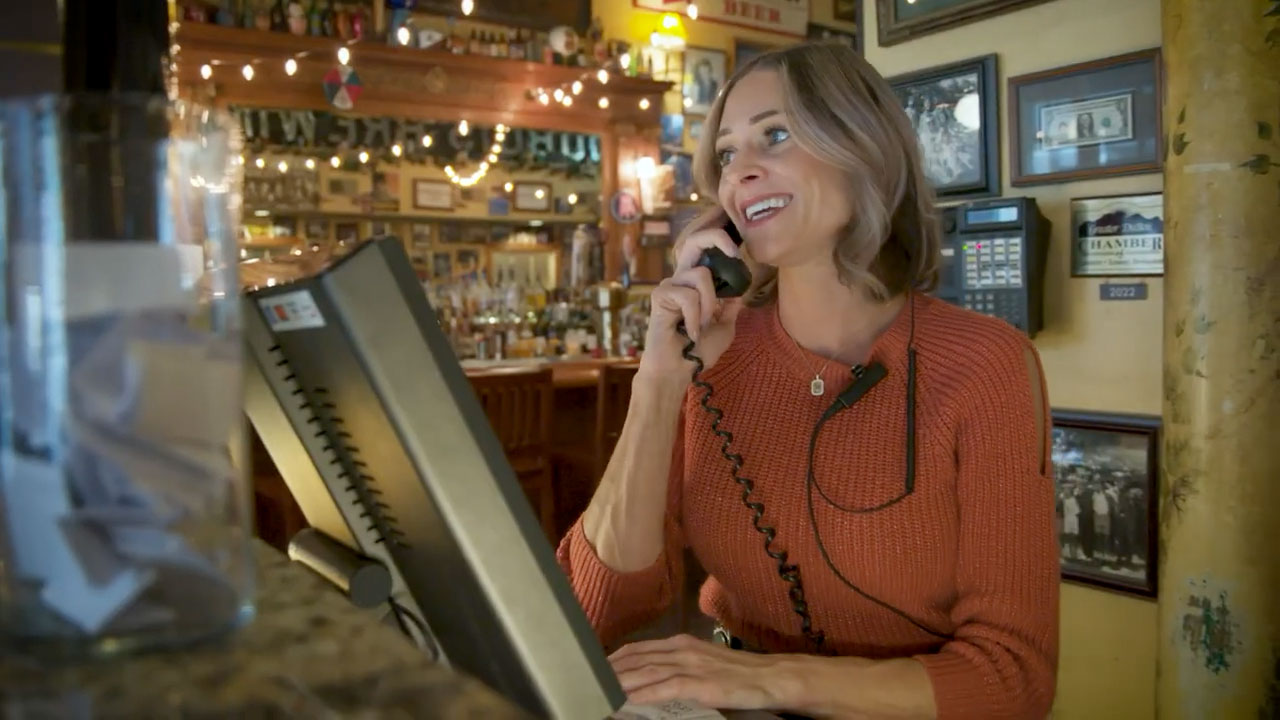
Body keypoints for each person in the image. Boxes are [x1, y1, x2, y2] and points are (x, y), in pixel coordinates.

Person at [556, 42, 1058, 719]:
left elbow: (1012, 678)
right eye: (728, 155)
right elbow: (590, 614)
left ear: (863, 149)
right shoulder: (714, 356)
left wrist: (771, 681)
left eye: (776, 135)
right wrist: (659, 378)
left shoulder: (985, 364)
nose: (742, 174)